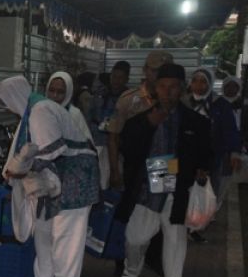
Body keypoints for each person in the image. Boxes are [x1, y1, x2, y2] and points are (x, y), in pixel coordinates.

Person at [114, 63, 212, 277]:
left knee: (175, 239)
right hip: (148, 186)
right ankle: (132, 267)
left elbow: (206, 152)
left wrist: (202, 169)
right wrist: (149, 124)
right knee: (135, 238)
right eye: (163, 87)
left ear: (182, 89)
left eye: (173, 87)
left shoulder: (195, 121)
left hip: (178, 187)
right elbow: (127, 149)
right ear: (155, 89)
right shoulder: (141, 119)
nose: (168, 92)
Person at [0, 75, 99, 277]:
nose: (9, 110)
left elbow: (51, 151)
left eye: (8, 103)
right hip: (56, 179)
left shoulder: (40, 110)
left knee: (66, 239)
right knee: (43, 233)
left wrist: (22, 170)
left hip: (75, 180)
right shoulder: (34, 110)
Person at [108, 51, 172, 189]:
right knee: (132, 206)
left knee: (160, 206)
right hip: (133, 163)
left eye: (164, 71)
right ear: (145, 70)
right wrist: (114, 171)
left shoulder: (177, 101)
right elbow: (113, 137)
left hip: (164, 163)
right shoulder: (129, 99)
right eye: (155, 70)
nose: (159, 75)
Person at [88, 60, 131, 189]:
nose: (116, 81)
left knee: (113, 182)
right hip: (96, 144)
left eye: (120, 78)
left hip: (116, 148)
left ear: (126, 79)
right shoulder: (99, 94)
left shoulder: (129, 99)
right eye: (114, 76)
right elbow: (89, 116)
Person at [211, 77, 244, 209]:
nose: (230, 89)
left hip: (237, 149)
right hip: (220, 148)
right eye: (228, 86)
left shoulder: (242, 105)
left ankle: (216, 205)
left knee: (226, 179)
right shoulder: (217, 104)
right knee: (217, 178)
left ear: (238, 88)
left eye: (234, 86)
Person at [46, 70, 95, 155]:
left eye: (60, 92)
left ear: (68, 93)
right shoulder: (40, 111)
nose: (55, 95)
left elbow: (87, 144)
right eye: (51, 90)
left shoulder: (74, 114)